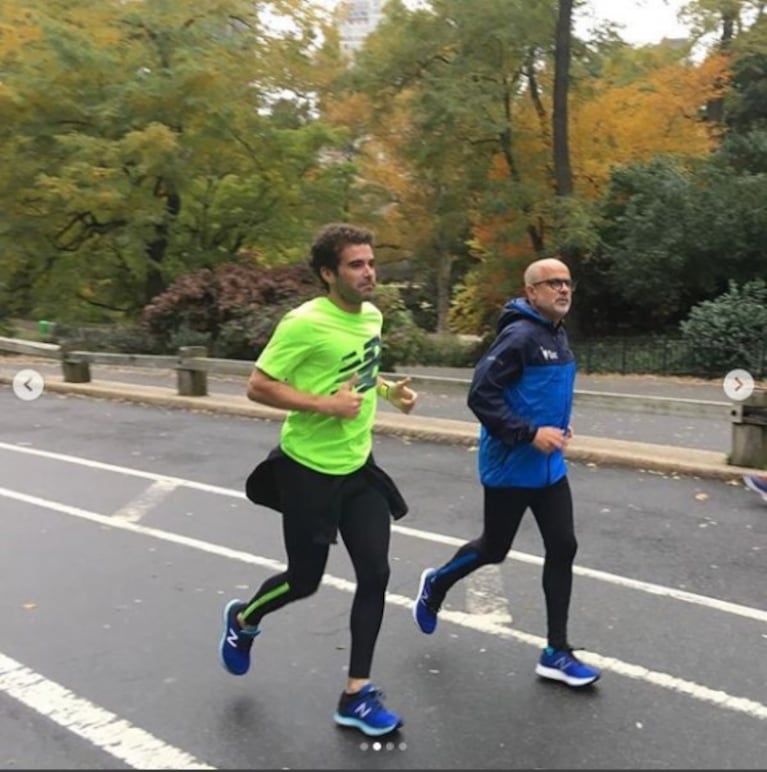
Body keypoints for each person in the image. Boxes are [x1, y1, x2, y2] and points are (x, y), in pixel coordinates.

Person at [218, 223, 417, 738]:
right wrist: (325, 406)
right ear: (329, 274)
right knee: (304, 581)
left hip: (358, 469)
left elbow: (360, 371)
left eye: (371, 262)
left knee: (375, 574)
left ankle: (357, 694)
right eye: (356, 264)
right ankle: (243, 620)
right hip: (307, 470)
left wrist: (391, 391)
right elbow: (258, 387)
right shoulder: (303, 323)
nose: (369, 272)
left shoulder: (372, 315)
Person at [412, 256, 601, 688]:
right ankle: (437, 584)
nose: (563, 289)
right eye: (552, 283)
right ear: (531, 292)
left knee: (563, 545)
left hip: (549, 467)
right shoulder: (518, 337)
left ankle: (556, 651)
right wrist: (529, 432)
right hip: (511, 466)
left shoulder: (557, 334)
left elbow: (540, 390)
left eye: (567, 282)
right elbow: (480, 394)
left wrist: (559, 423)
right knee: (494, 549)